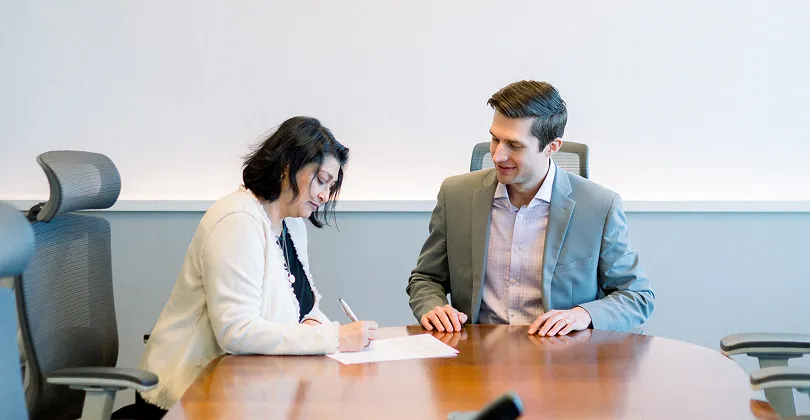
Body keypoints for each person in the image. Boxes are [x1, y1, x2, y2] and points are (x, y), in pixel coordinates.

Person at [137, 117, 378, 412]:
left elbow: (300, 308)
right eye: (321, 180)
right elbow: (237, 331)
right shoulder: (238, 220)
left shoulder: (292, 224)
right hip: (192, 393)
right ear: (289, 166)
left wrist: (320, 325)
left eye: (331, 186)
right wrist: (334, 337)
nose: (324, 196)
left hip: (253, 387)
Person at [406, 81, 654, 337]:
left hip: (560, 362)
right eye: (494, 139)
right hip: (475, 359)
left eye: (514, 145)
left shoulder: (599, 207)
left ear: (552, 147)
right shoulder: (455, 195)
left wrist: (583, 314)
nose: (497, 155)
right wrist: (433, 307)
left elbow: (637, 296)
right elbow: (426, 278)